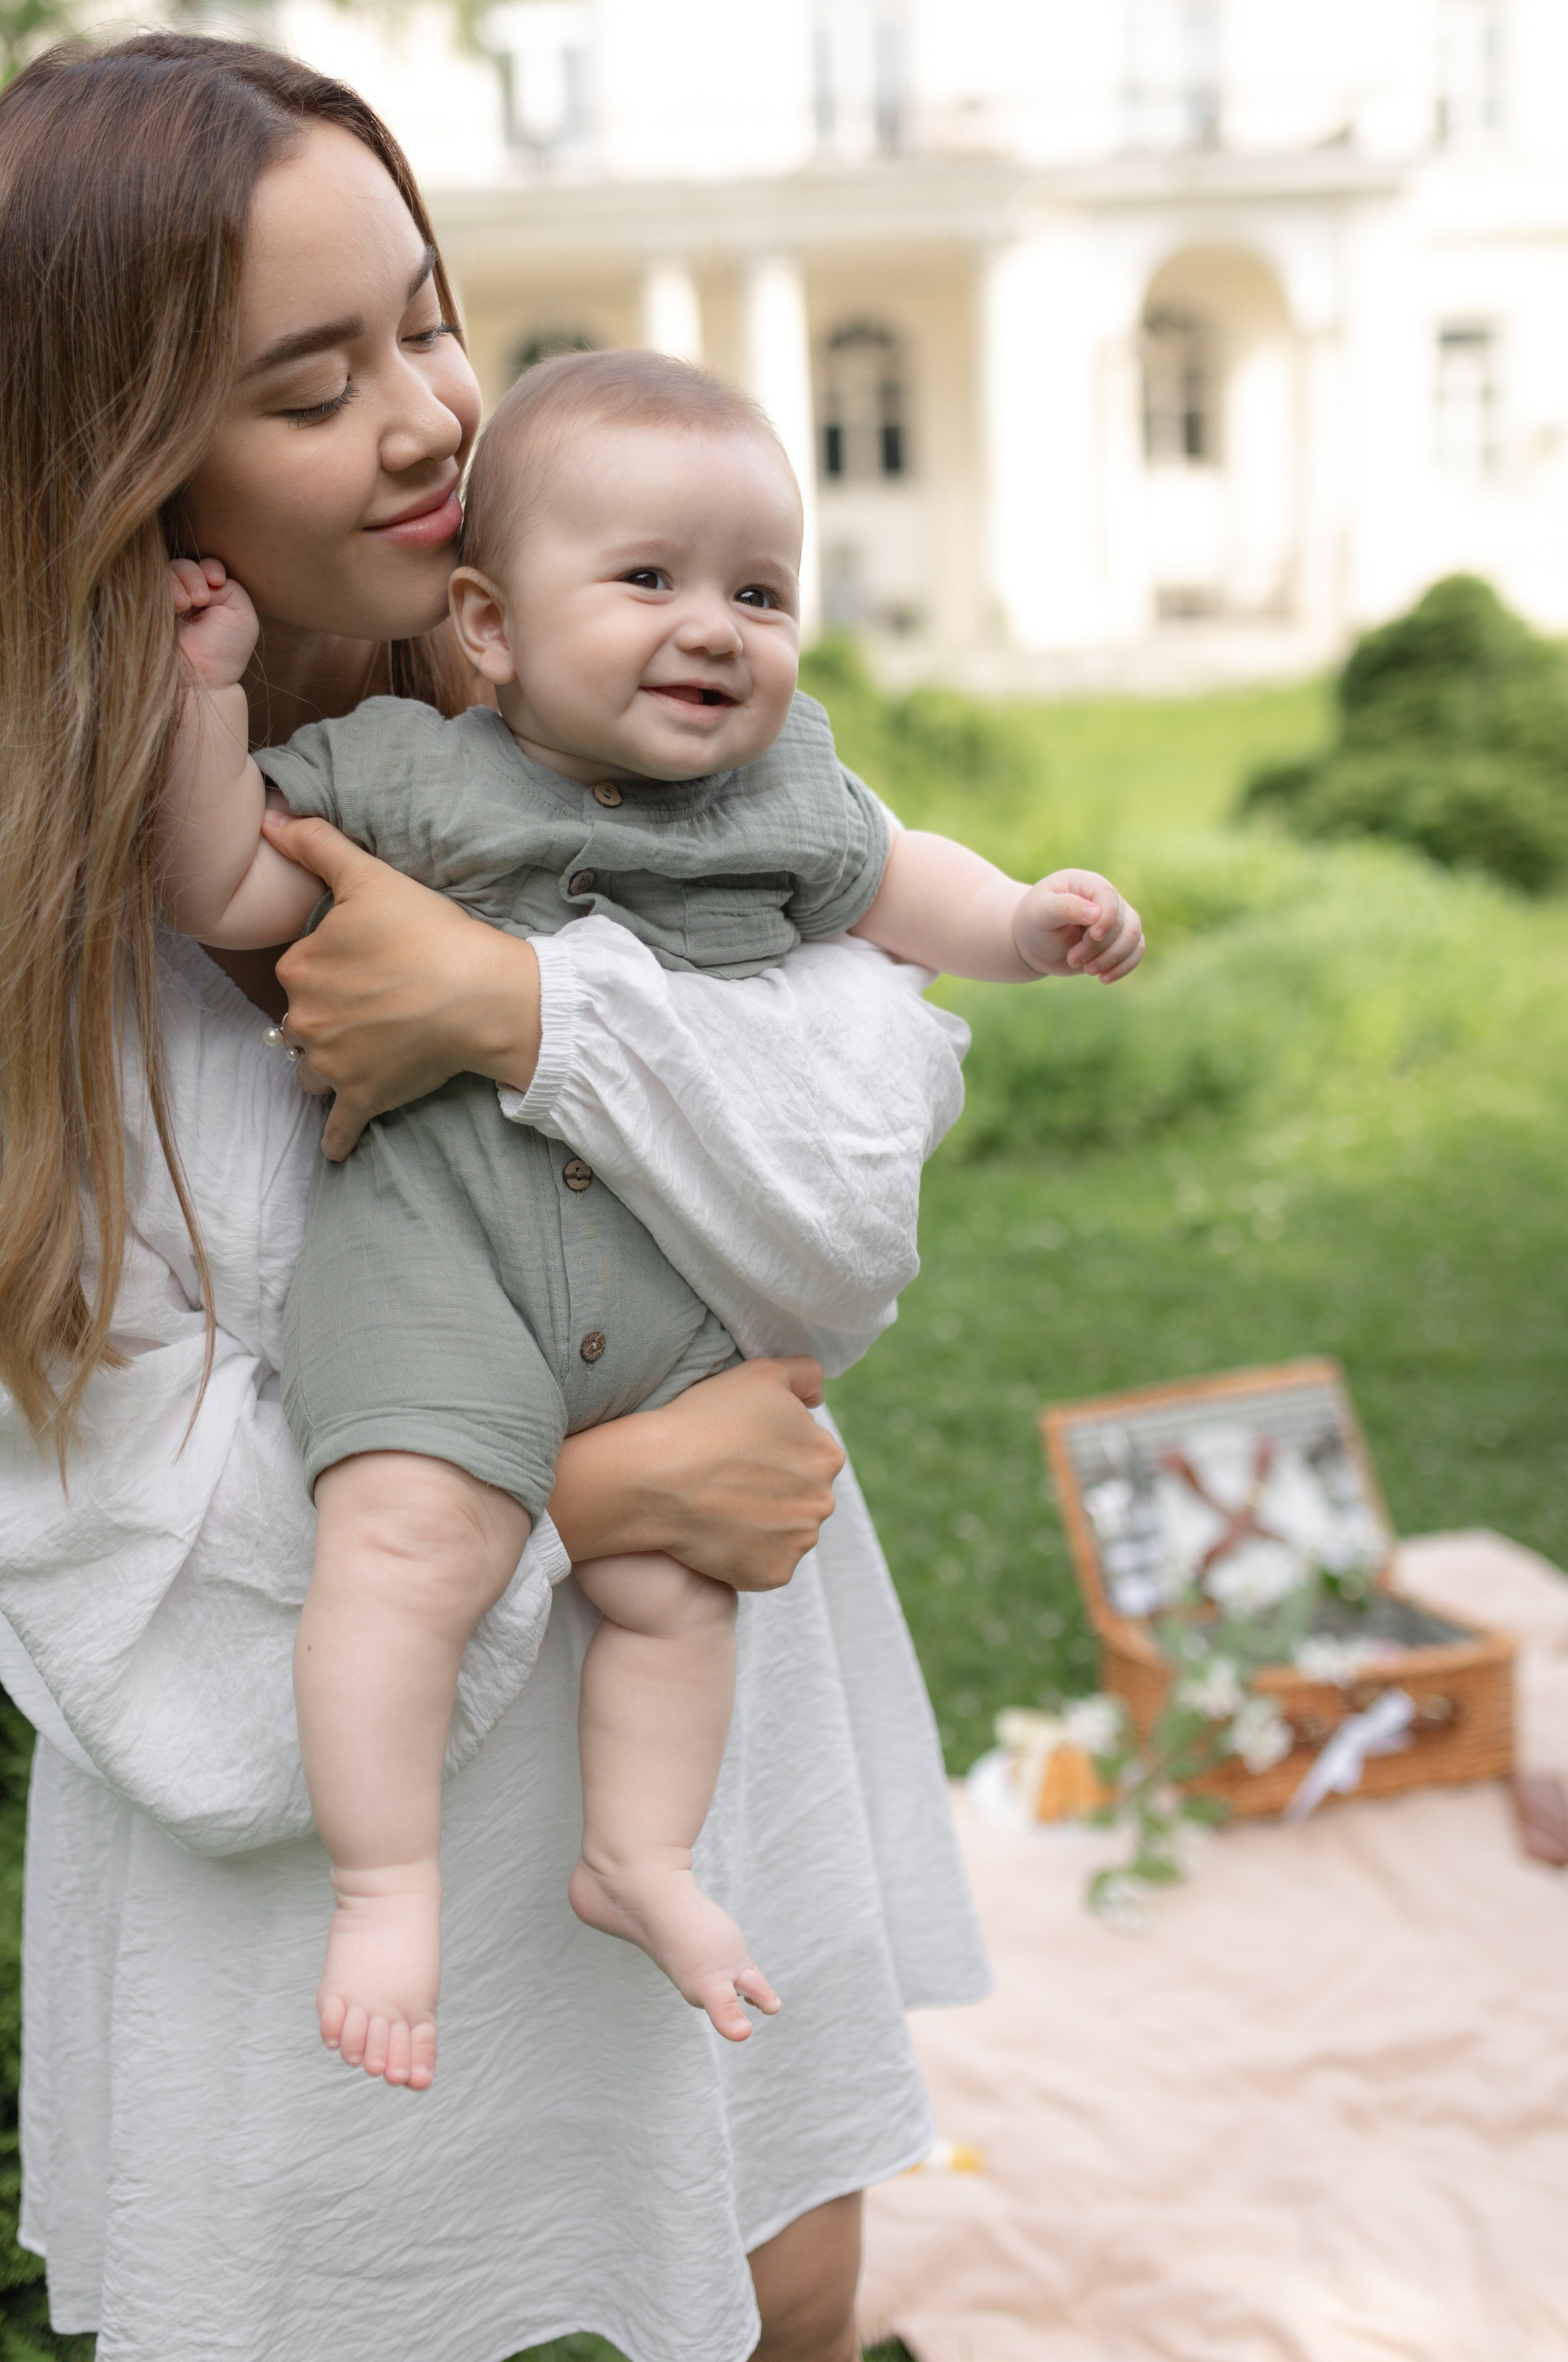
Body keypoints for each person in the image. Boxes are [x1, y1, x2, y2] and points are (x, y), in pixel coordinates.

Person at [0, 32, 993, 2362]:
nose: (431, 419)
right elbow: (124, 1586)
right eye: (311, 384)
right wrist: (596, 1490)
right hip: (343, 1946)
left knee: (791, 2288)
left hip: (706, 1781)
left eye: (428, 321)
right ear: (116, 458)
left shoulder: (603, 727)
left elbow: (845, 1209)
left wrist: (524, 1010)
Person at [157, 343, 1143, 2088]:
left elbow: (906, 885)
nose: (716, 629)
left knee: (678, 1597)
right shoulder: (409, 775)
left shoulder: (786, 797)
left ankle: (642, 1854)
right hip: (444, 1265)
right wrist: (201, 701)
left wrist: (1026, 921)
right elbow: (226, 877)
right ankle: (387, 1885)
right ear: (488, 627)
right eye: (648, 582)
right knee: (403, 1548)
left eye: (760, 593)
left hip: (668, 1305)